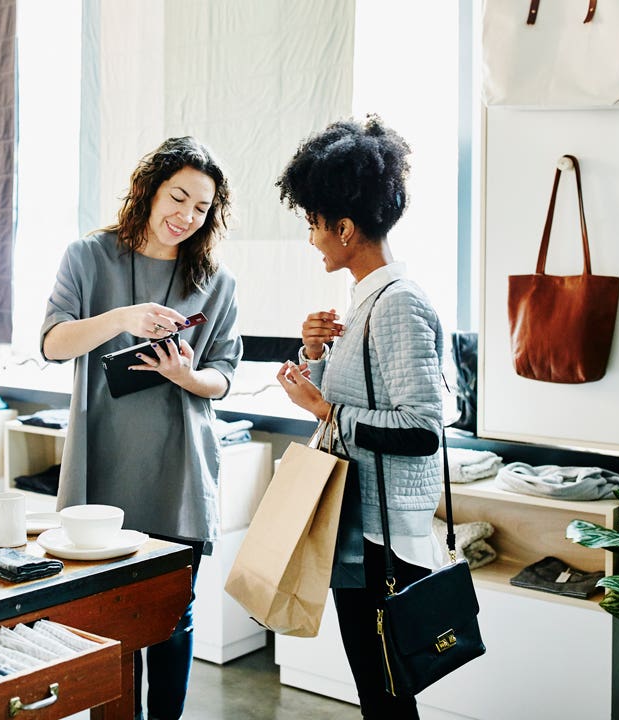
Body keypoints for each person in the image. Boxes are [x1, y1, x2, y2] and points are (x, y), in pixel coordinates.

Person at [40, 136, 242, 720]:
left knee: (173, 614)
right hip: (102, 460)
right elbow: (54, 345)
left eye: (201, 208)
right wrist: (124, 319)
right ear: (148, 190)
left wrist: (186, 375)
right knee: (104, 615)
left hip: (179, 465)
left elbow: (225, 376)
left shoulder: (218, 281)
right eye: (177, 197)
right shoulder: (87, 256)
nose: (186, 216)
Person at [273, 116, 445, 720]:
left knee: (387, 694)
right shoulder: (368, 297)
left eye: (315, 225)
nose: (313, 239)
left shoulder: (396, 303)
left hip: (384, 541)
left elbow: (422, 430)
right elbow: (362, 404)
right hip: (365, 526)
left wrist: (323, 408)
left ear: (344, 228)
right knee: (379, 689)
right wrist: (317, 359)